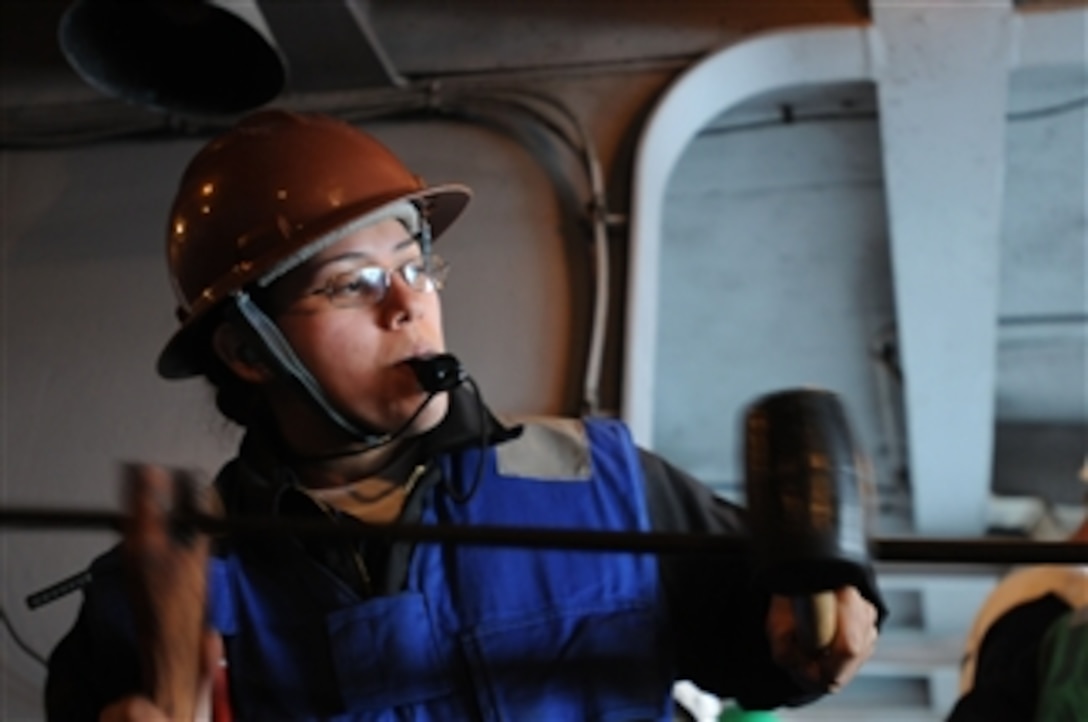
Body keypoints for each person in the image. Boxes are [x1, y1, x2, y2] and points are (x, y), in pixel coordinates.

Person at [44, 109, 884, 721]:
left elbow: (766, 656)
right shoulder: (158, 590)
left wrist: (815, 625)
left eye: (416, 265)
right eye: (353, 284)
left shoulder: (603, 480)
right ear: (247, 351)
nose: (409, 304)